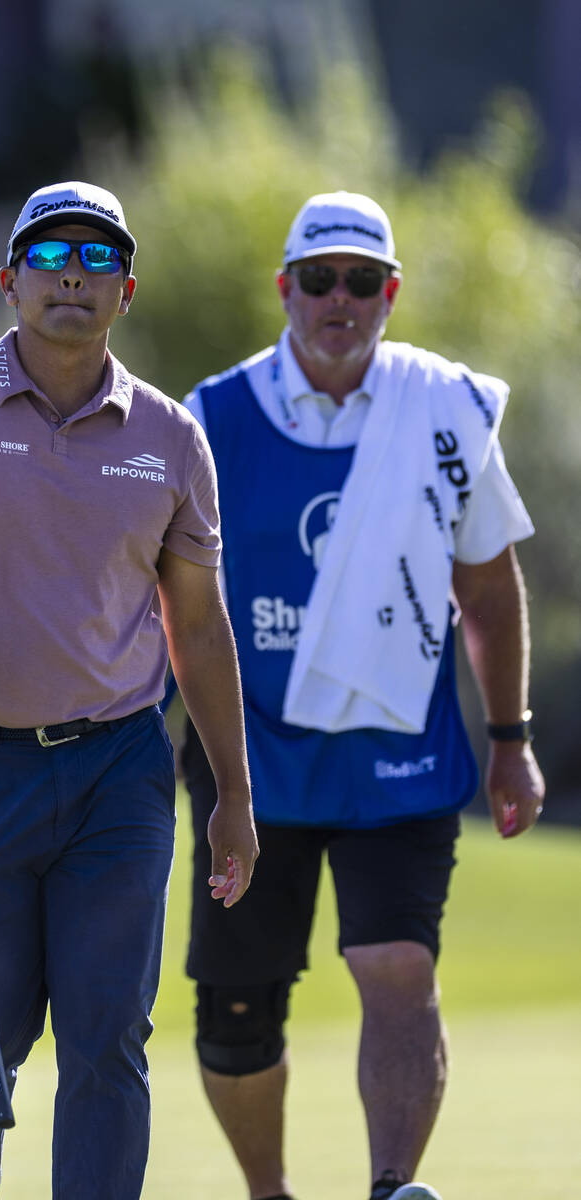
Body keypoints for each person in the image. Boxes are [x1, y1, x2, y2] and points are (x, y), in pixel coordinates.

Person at [0, 180, 258, 1200]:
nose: (70, 273)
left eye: (93, 257)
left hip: (119, 770)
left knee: (106, 1033)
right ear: (8, 283)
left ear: (125, 288)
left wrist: (232, 799)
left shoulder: (171, 439)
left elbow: (198, 626)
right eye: (47, 257)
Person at [180, 191, 545, 1200]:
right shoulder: (209, 417)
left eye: (358, 281)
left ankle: (391, 1189)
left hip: (397, 753)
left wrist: (509, 736)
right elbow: (166, 597)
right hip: (249, 762)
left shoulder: (443, 412)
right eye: (315, 278)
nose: (336, 299)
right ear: (283, 290)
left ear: (388, 294)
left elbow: (485, 588)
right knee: (236, 1014)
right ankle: (270, 1196)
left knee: (397, 970)